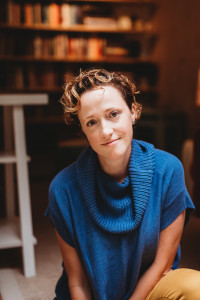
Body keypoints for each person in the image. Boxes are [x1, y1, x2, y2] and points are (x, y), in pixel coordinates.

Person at [45, 68, 200, 300]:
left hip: (149, 292)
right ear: (83, 131)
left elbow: (162, 263)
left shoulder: (168, 170)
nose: (105, 131)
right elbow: (77, 281)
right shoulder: (62, 189)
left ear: (133, 111)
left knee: (194, 286)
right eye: (91, 122)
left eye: (114, 114)